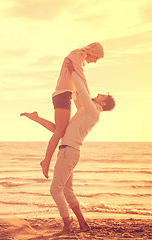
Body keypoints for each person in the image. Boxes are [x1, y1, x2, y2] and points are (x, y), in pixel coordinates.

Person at [21, 70, 115, 234]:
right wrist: (36, 119)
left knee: (55, 190)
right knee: (67, 191)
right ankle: (83, 224)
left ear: (104, 104)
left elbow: (82, 91)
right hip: (69, 152)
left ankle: (67, 225)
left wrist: (75, 70)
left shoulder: (92, 111)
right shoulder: (86, 111)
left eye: (102, 96)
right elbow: (59, 129)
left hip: (69, 152)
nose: (98, 94)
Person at [41, 42, 105, 179]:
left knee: (61, 130)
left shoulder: (79, 59)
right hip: (63, 94)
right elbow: (81, 79)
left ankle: (35, 118)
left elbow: (77, 83)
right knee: (59, 131)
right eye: (97, 58)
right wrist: (89, 101)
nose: (94, 61)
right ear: (94, 52)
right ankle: (45, 162)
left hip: (65, 94)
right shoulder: (78, 55)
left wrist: (84, 108)